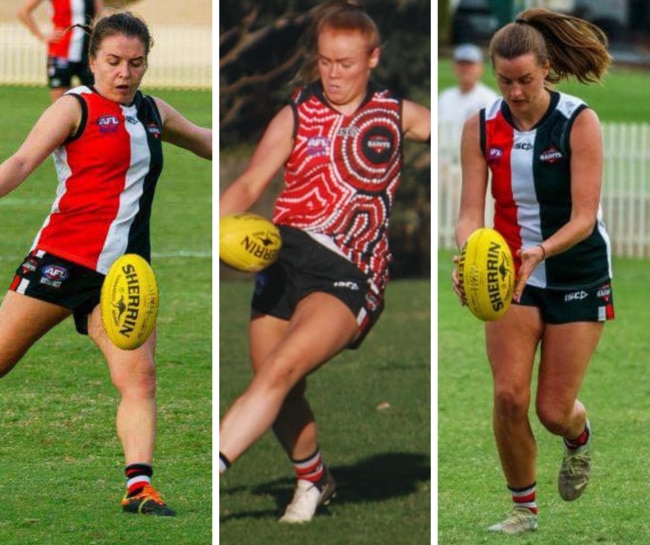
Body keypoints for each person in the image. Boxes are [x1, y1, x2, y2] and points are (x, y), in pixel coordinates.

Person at [219, 0, 430, 524]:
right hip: (282, 261)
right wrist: (216, 231)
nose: (333, 75)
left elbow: (466, 131)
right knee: (277, 384)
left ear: (373, 58)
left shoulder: (396, 113)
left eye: (346, 64)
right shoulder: (295, 111)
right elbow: (249, 183)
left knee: (280, 370)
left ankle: (205, 473)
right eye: (325, 62)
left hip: (349, 268)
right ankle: (314, 480)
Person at [0, 11, 212, 516]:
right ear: (92, 60)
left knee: (140, 380)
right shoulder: (76, 108)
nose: (124, 73)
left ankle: (139, 487)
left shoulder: (155, 112)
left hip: (124, 277)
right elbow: (22, 162)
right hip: (61, 262)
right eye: (113, 61)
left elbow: (209, 142)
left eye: (135, 63)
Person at [453, 8, 614, 535]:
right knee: (507, 396)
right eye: (505, 81)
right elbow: (469, 215)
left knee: (551, 410)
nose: (515, 91)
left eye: (525, 79)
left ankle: (579, 437)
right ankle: (524, 509)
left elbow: (584, 217)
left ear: (547, 69)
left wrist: (540, 251)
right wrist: (469, 258)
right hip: (511, 278)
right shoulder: (480, 127)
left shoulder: (578, 121)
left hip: (575, 272)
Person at [17, 0, 105, 102]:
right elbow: (23, 12)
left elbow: (100, 17)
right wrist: (42, 36)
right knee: (60, 102)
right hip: (61, 52)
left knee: (93, 100)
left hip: (88, 52)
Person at [438, 43, 498, 160]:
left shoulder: (489, 99)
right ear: (454, 67)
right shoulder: (445, 97)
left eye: (470, 64)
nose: (465, 69)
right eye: (461, 64)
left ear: (480, 68)